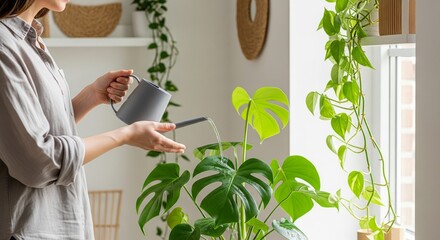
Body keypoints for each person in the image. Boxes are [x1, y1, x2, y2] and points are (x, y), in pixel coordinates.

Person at [0, 0, 186, 239]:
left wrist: (91, 96)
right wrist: (124, 136)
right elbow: (37, 161)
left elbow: (30, 131)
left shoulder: (30, 40)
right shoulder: (4, 46)